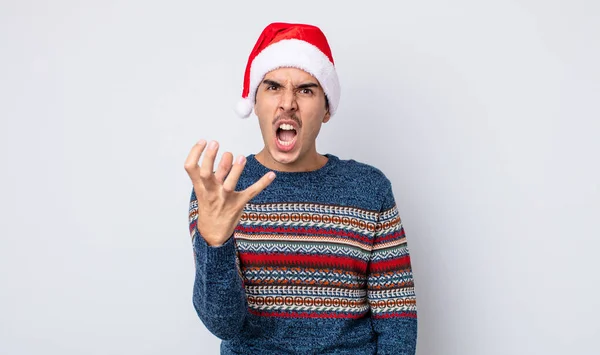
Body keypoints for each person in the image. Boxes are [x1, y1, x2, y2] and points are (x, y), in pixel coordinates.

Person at [184, 22, 417, 355]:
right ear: (256, 101)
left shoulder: (369, 189)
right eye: (273, 87)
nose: (288, 103)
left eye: (306, 90)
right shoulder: (219, 192)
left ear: (326, 109)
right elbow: (223, 325)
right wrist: (215, 243)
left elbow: (397, 319)